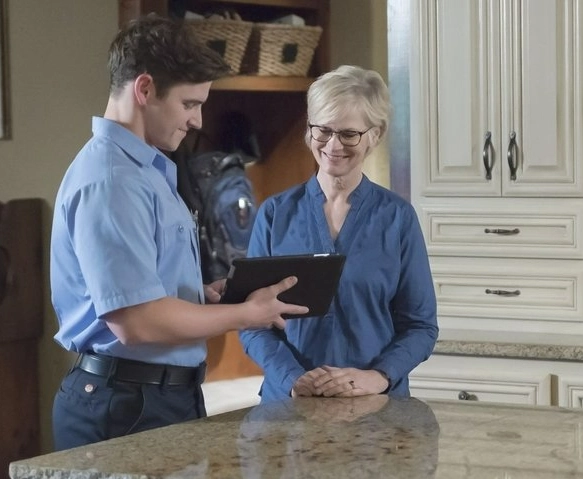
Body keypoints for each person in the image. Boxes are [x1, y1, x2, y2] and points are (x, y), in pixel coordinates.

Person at [49, 14, 309, 451]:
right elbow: (137, 322)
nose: (198, 121)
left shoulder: (147, 170)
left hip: (159, 396)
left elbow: (148, 295)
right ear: (145, 89)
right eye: (190, 104)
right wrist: (248, 314)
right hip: (126, 404)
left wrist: (199, 296)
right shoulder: (114, 179)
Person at [239, 65, 439, 401]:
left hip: (375, 408)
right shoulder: (275, 214)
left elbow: (421, 327)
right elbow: (252, 322)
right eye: (323, 131)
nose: (333, 145)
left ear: (375, 135)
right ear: (310, 131)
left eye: (348, 134)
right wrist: (293, 379)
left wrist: (376, 377)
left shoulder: (398, 219)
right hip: (290, 404)